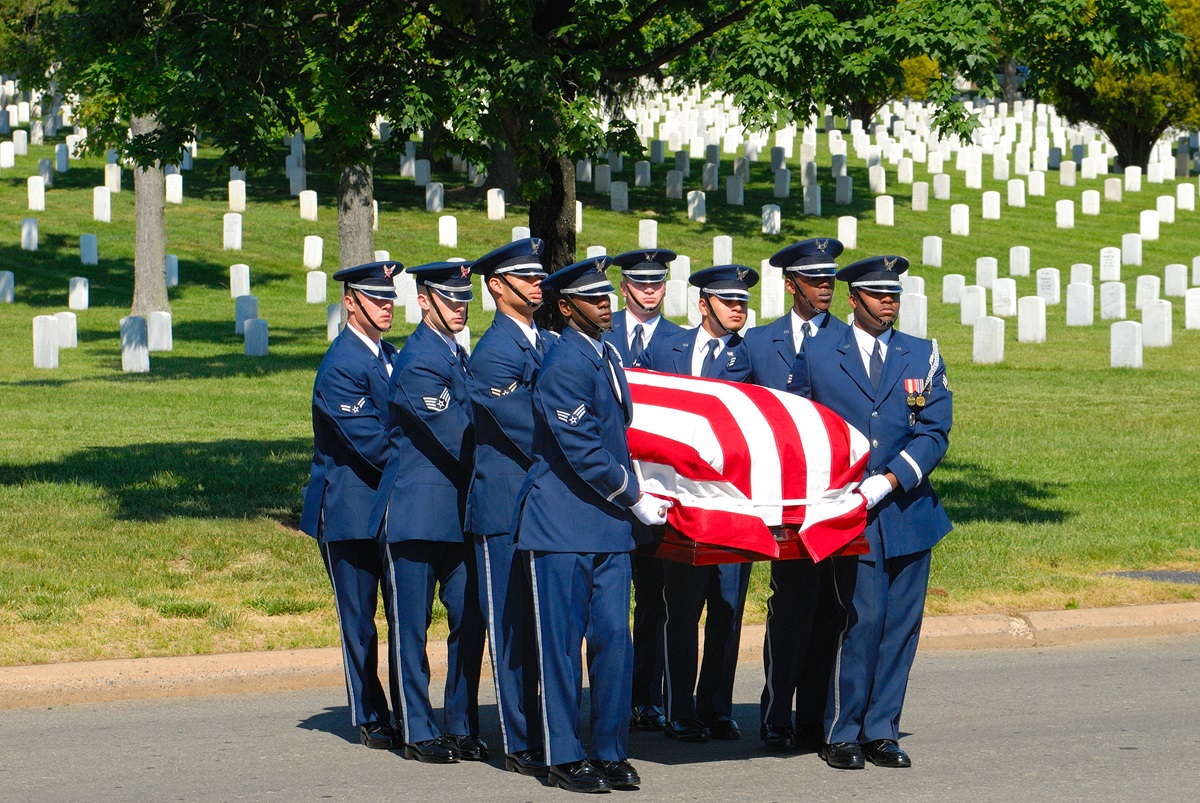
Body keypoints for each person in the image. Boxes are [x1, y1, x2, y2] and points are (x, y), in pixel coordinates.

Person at [786, 255, 952, 770]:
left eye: (894, 295)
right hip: (849, 512)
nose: (888, 303)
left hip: (906, 510)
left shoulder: (920, 354)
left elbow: (934, 430)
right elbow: (803, 428)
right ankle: (843, 730)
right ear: (853, 299)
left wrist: (889, 479)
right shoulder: (817, 354)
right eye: (877, 295)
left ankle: (881, 730)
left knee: (900, 626)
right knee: (860, 620)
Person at [513, 255, 671, 793]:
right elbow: (579, 447)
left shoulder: (605, 355)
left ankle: (609, 749)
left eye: (607, 297)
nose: (606, 306)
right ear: (566, 307)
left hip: (606, 525)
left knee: (613, 641)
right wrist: (634, 496)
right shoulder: (563, 364)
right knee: (560, 646)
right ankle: (563, 755)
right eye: (594, 299)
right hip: (562, 524)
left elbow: (616, 432)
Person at [369, 261, 486, 765]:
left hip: (456, 516)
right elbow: (459, 434)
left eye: (465, 299)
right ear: (425, 302)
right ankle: (417, 728)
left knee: (469, 619)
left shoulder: (456, 356)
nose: (460, 307)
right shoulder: (418, 360)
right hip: (416, 514)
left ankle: (460, 723)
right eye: (450, 299)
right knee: (410, 628)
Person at [637, 264, 755, 743]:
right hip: (680, 503)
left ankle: (717, 708)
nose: (738, 310)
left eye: (743, 303)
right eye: (728, 302)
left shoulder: (751, 356)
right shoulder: (667, 347)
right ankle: (678, 707)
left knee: (727, 608)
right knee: (680, 608)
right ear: (703, 305)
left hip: (731, 502)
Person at [743, 238, 849, 753]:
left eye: (830, 280)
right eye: (816, 281)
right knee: (792, 608)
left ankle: (815, 718)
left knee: (831, 611)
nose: (826, 288)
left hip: (838, 500)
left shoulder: (850, 341)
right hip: (783, 503)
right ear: (792, 285)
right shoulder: (760, 344)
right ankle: (776, 712)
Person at [299, 261, 403, 750]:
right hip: (348, 509)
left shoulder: (390, 355)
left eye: (389, 299)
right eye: (376, 299)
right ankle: (368, 713)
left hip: (386, 504)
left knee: (401, 613)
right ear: (350, 302)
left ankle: (402, 709)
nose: (386, 307)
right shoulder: (341, 364)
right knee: (359, 619)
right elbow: (371, 444)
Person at [463, 238, 550, 777]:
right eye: (527, 276)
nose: (539, 283)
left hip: (537, 509)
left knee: (541, 626)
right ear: (497, 285)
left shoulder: (545, 341)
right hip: (503, 511)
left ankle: (542, 727)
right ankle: (519, 739)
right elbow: (533, 430)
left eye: (540, 275)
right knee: (510, 627)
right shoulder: (495, 352)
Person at [601, 248, 684, 733]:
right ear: (625, 286)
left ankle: (646, 696)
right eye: (640, 283)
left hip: (658, 490)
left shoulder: (678, 342)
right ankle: (606, 696)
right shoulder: (601, 333)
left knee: (653, 600)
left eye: (657, 283)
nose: (649, 291)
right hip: (607, 487)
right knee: (605, 605)